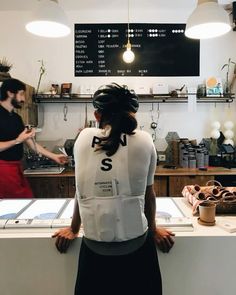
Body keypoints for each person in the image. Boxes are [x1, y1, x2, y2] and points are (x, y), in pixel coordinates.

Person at [52, 83, 175, 295]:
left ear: (97, 115)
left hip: (94, 255)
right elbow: (148, 195)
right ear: (133, 113)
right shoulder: (145, 141)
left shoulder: (82, 139)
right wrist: (154, 230)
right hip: (138, 253)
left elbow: (82, 191)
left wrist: (73, 228)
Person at [0, 78, 68, 198]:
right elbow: (18, 140)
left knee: (27, 198)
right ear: (10, 93)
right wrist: (17, 140)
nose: (23, 99)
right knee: (16, 205)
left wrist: (54, 156)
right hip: (3, 169)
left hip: (16, 167)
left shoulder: (16, 118)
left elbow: (31, 144)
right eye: (21, 94)